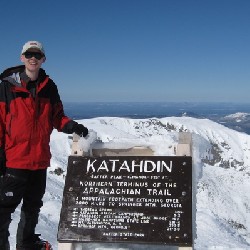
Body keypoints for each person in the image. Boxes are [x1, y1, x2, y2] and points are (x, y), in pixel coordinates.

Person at [0, 41, 89, 250]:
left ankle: (26, 245)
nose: (33, 58)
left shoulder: (49, 87)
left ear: (43, 59)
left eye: (37, 55)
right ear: (22, 58)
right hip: (14, 161)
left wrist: (73, 126)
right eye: (29, 54)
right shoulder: (6, 86)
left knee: (32, 209)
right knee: (3, 211)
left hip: (39, 162)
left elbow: (57, 116)